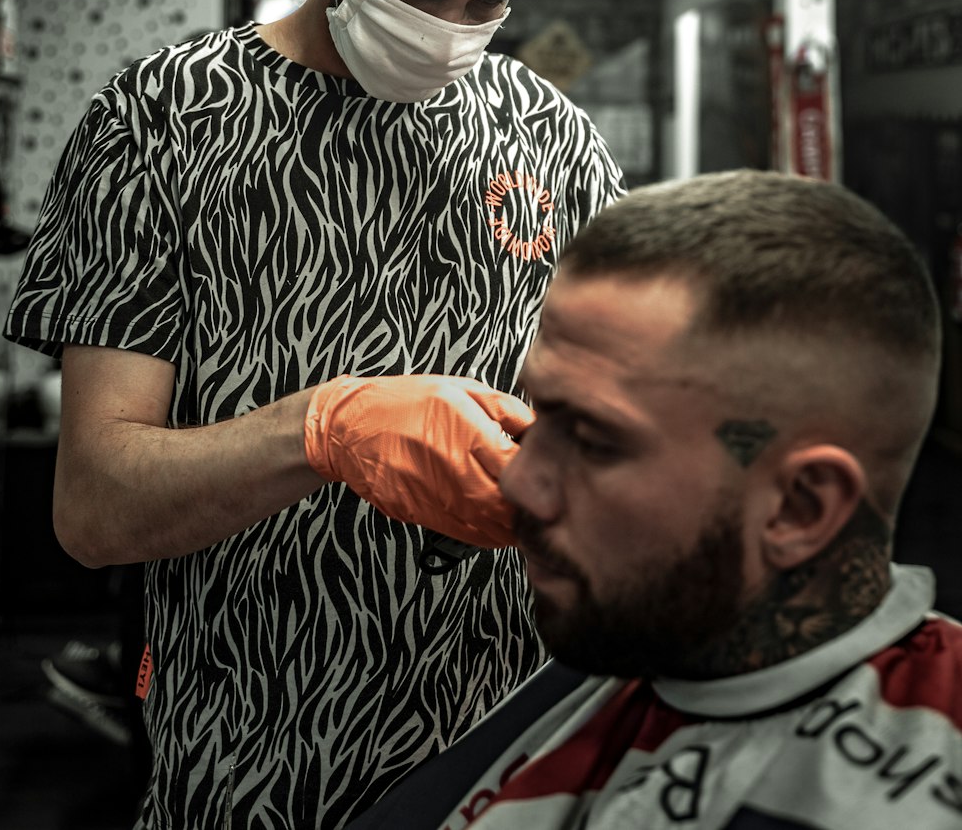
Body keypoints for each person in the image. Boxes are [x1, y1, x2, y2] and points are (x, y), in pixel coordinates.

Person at [3, 0, 623, 830]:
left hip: (512, 760)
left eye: (489, 5)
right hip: (251, 755)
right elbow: (96, 509)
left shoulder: (552, 139)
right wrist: (324, 430)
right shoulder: (166, 120)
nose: (448, 34)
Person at [348, 170, 962, 830]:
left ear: (798, 508)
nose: (519, 481)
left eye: (592, 439)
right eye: (538, 415)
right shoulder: (652, 633)